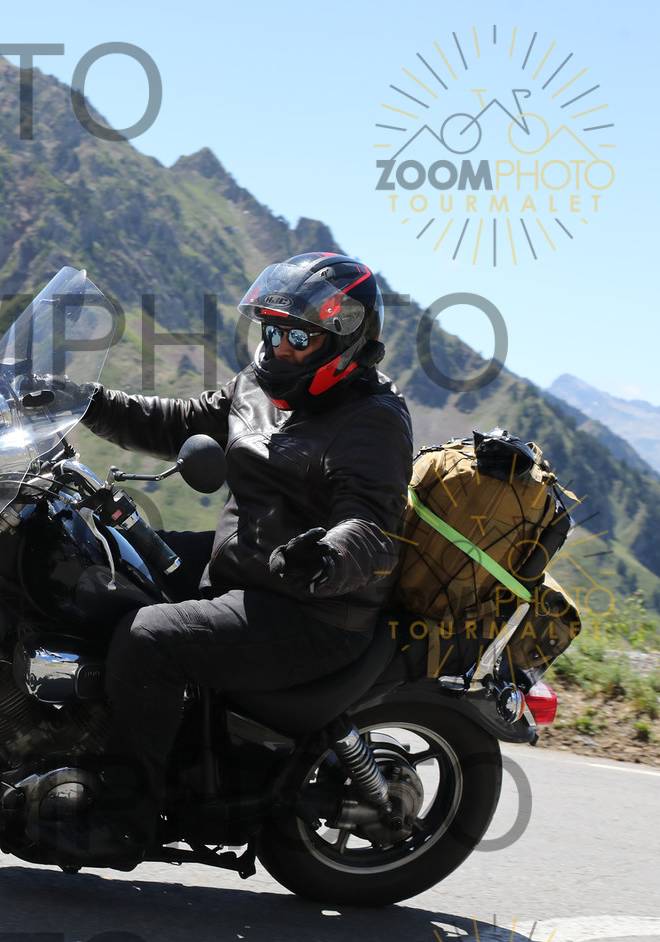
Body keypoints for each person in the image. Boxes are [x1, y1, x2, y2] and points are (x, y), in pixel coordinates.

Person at [41, 252, 414, 867]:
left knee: (149, 638)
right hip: (241, 566)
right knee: (94, 559)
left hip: (310, 608)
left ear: (345, 341)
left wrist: (327, 555)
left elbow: (373, 524)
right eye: (272, 330)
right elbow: (176, 424)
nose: (280, 347)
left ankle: (124, 819)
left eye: (299, 337)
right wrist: (79, 400)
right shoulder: (258, 386)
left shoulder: (373, 420)